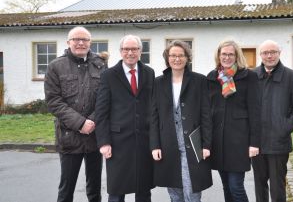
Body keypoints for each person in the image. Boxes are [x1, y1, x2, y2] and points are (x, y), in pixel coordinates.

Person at [44, 26, 107, 202]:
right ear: (68, 42)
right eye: (76, 39)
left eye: (85, 39)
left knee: (95, 189)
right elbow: (53, 101)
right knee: (66, 189)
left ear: (90, 42)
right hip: (69, 137)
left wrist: (92, 121)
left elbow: (106, 98)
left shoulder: (100, 64)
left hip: (95, 137)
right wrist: (80, 123)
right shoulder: (56, 66)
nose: (80, 42)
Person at [150, 40, 212, 202]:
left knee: (191, 193)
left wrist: (206, 145)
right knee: (175, 192)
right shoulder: (158, 82)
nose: (176, 59)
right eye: (173, 55)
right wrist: (155, 145)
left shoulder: (199, 80)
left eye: (180, 55)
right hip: (168, 144)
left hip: (193, 145)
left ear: (187, 58)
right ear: (167, 58)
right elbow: (153, 116)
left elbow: (206, 114)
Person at [95, 35, 155, 202]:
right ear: (121, 52)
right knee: (117, 191)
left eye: (134, 49)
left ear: (140, 52)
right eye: (126, 49)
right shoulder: (108, 75)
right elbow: (101, 111)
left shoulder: (149, 73)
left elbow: (152, 107)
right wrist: (104, 142)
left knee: (144, 190)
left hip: (144, 140)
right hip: (118, 142)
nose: (130, 53)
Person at [251, 40, 293, 202]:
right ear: (260, 55)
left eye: (273, 52)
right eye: (265, 52)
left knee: (277, 186)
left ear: (279, 53)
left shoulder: (291, 77)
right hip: (257, 143)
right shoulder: (252, 76)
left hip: (279, 143)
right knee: (259, 184)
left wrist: (284, 128)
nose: (269, 56)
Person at [207, 39, 259, 202]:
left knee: (236, 186)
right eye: (224, 54)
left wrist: (254, 142)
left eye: (231, 54)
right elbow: (208, 109)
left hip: (239, 141)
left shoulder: (249, 76)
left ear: (237, 56)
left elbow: (255, 111)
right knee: (226, 186)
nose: (227, 57)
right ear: (218, 55)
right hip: (219, 140)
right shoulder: (212, 77)